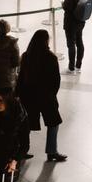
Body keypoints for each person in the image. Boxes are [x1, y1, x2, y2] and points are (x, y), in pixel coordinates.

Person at [17, 29, 66, 163]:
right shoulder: (51, 58)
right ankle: (51, 151)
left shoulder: (26, 56)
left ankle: (22, 149)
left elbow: (20, 79)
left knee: (26, 124)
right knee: (53, 123)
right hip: (46, 98)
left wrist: (19, 95)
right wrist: (52, 95)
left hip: (28, 97)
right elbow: (56, 81)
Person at [62, 0, 92, 73]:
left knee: (71, 43)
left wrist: (62, 3)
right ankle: (78, 65)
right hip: (81, 19)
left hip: (71, 21)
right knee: (79, 41)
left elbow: (67, 7)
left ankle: (71, 67)